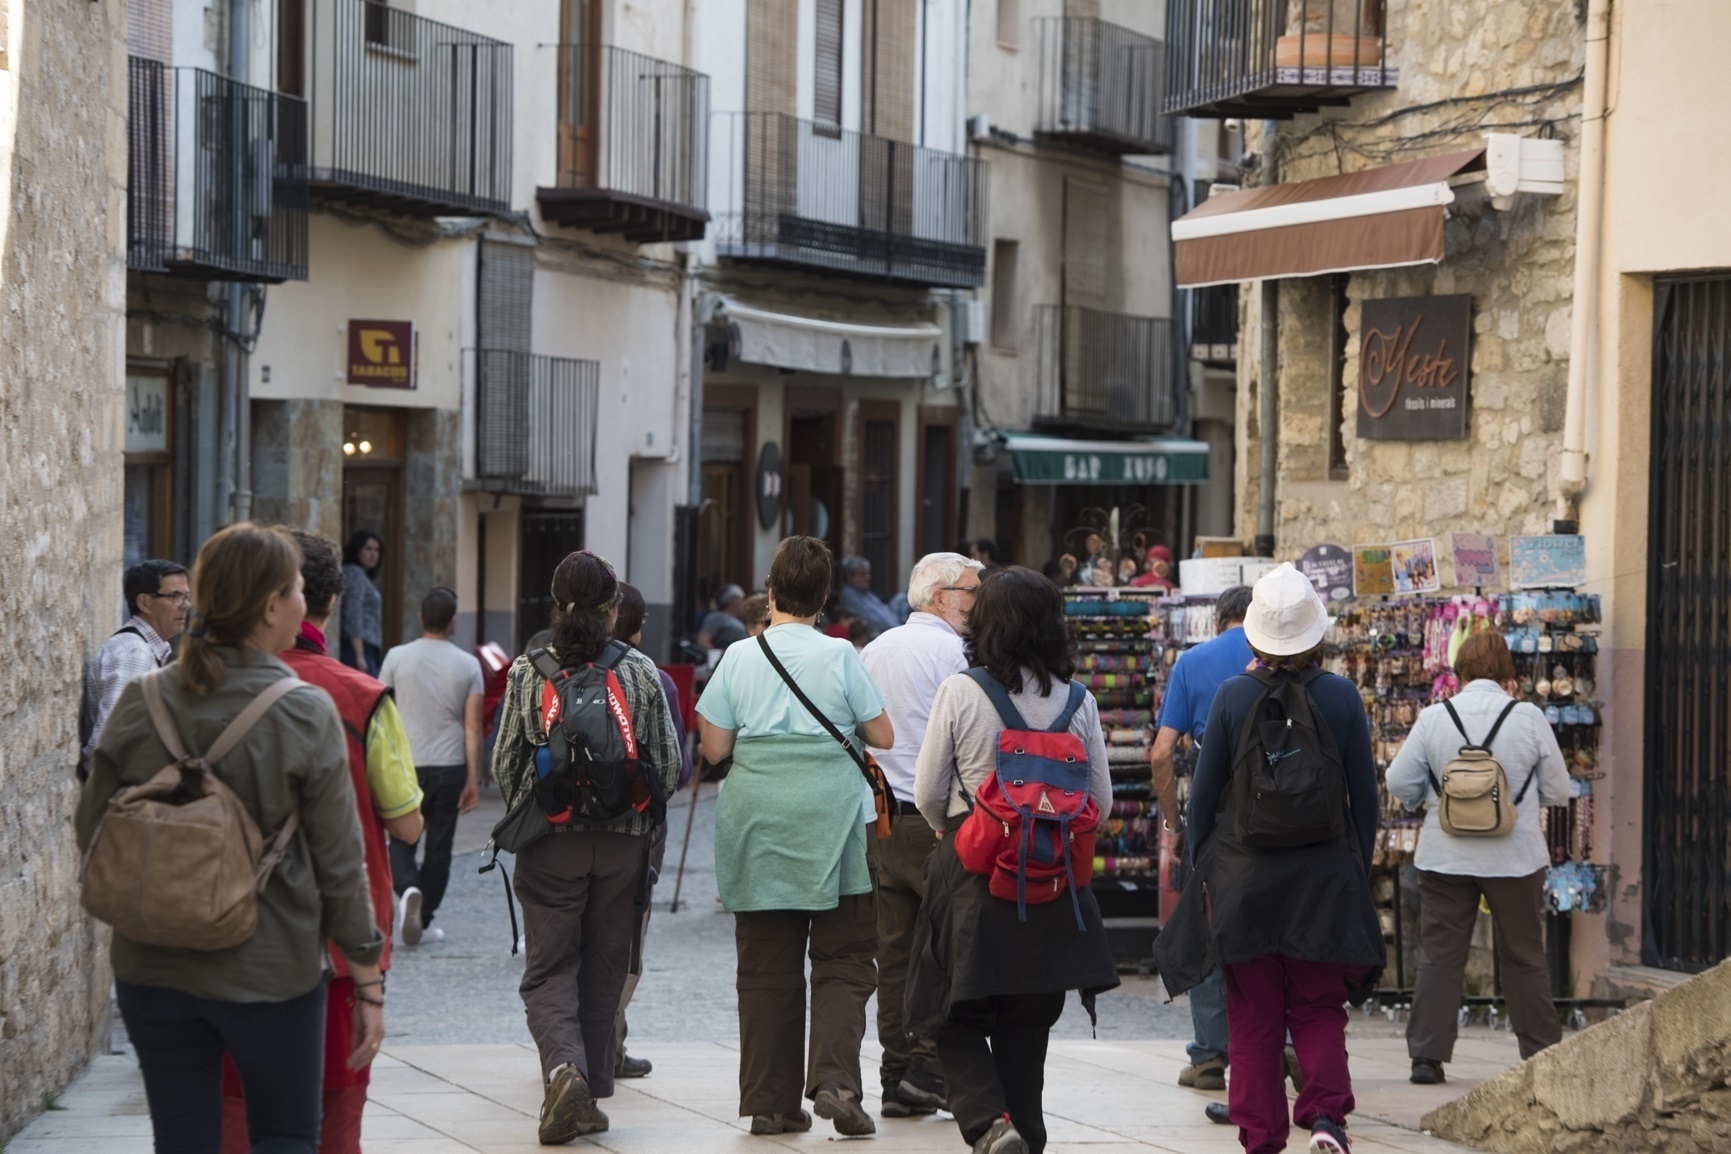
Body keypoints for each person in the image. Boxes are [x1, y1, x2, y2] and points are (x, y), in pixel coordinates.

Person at [76, 522, 385, 1153]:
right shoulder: (304, 711)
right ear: (272, 606)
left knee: (183, 1138)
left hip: (153, 967)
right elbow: (339, 863)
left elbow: (92, 826)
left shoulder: (143, 700)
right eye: (297, 589)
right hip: (269, 969)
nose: (305, 601)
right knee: (284, 1136)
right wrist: (368, 977)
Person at [1156, 563, 1383, 1154]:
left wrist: (1206, 873)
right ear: (1316, 636)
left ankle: (1261, 1136)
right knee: (1318, 1006)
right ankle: (1328, 1118)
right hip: (1325, 880)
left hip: (1245, 880)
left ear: (1256, 636)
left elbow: (1203, 801)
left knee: (1252, 1014)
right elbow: (1364, 797)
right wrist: (1357, 871)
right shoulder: (1340, 697)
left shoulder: (1232, 697)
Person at [220, 529, 426, 1154]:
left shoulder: (191, 687)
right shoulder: (358, 697)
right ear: (328, 602)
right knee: (335, 1114)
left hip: (222, 929)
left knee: (231, 1110)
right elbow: (406, 823)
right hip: (334, 943)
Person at [907, 565, 1120, 1154]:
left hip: (975, 873)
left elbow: (928, 790)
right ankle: (1025, 1132)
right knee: (1028, 1025)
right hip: (1052, 885)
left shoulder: (962, 690)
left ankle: (991, 1125)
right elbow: (1098, 804)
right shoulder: (1079, 701)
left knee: (951, 1014)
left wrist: (952, 831)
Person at [697, 536, 894, 1138]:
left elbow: (714, 748)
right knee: (844, 959)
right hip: (834, 820)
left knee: (765, 968)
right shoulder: (840, 656)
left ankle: (770, 1103)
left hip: (758, 822)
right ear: (826, 596)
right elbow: (882, 736)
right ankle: (835, 1081)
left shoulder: (737, 656)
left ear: (772, 590)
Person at [492, 550, 681, 1143]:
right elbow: (669, 766)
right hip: (623, 844)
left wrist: (547, 799)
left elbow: (504, 764)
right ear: (613, 607)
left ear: (556, 602)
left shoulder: (529, 670)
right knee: (604, 964)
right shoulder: (640, 671)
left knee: (549, 965)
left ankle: (564, 1073)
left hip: (550, 843)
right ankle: (592, 1086)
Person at [1385, 631, 1569, 1084]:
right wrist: (1522, 803)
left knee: (1441, 954)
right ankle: (1541, 1052)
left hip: (1444, 854)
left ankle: (1427, 1057)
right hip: (1516, 857)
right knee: (1524, 953)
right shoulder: (1528, 717)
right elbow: (1558, 789)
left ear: (1460, 670)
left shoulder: (1434, 717)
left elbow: (1397, 780)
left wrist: (1428, 801)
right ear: (1508, 672)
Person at [859, 552, 985, 1118]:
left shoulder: (875, 648)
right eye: (973, 593)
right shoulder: (953, 654)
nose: (979, 603)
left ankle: (896, 1073)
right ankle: (928, 1068)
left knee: (896, 953)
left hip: (881, 818)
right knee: (944, 951)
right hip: (934, 822)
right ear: (942, 597)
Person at [1148, 585, 1254, 1093]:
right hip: (1289, 822)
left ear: (1217, 622)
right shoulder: (1288, 658)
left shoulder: (1194, 663)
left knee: (1209, 926)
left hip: (1216, 820)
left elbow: (1161, 755)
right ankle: (1278, 1042)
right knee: (1272, 932)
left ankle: (1210, 1055)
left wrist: (1173, 826)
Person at [610, 582, 695, 1082]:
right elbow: (676, 769)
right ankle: (609, 1041)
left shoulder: (542, 670)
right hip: (637, 829)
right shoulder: (654, 678)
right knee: (625, 935)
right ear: (638, 628)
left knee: (564, 937)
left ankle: (565, 1047)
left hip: (558, 829)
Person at [379, 587, 484, 945]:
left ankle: (408, 888)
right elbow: (472, 726)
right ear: (453, 622)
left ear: (421, 617)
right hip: (449, 765)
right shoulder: (468, 665)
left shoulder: (395, 658)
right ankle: (423, 919)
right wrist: (473, 777)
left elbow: (380, 712)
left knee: (400, 838)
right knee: (440, 845)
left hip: (404, 763)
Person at [81, 558, 191, 776]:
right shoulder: (135, 653)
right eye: (175, 596)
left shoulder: (144, 648)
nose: (185, 604)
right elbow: (105, 744)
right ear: (145, 603)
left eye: (186, 596)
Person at [341, 531, 385, 675]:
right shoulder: (355, 573)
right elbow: (353, 613)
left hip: (367, 648)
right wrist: (359, 655)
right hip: (359, 648)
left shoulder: (361, 576)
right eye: (368, 549)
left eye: (377, 550)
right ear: (357, 550)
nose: (374, 554)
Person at [839, 555, 901, 636]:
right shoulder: (848, 595)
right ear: (850, 577)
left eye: (867, 574)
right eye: (862, 574)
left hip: (894, 632)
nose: (867, 578)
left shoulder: (866, 593)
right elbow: (873, 621)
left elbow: (887, 613)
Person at [697, 584, 749, 652]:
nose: (742, 602)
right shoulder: (716, 617)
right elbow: (702, 640)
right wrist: (717, 654)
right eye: (740, 599)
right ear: (732, 601)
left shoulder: (740, 619)